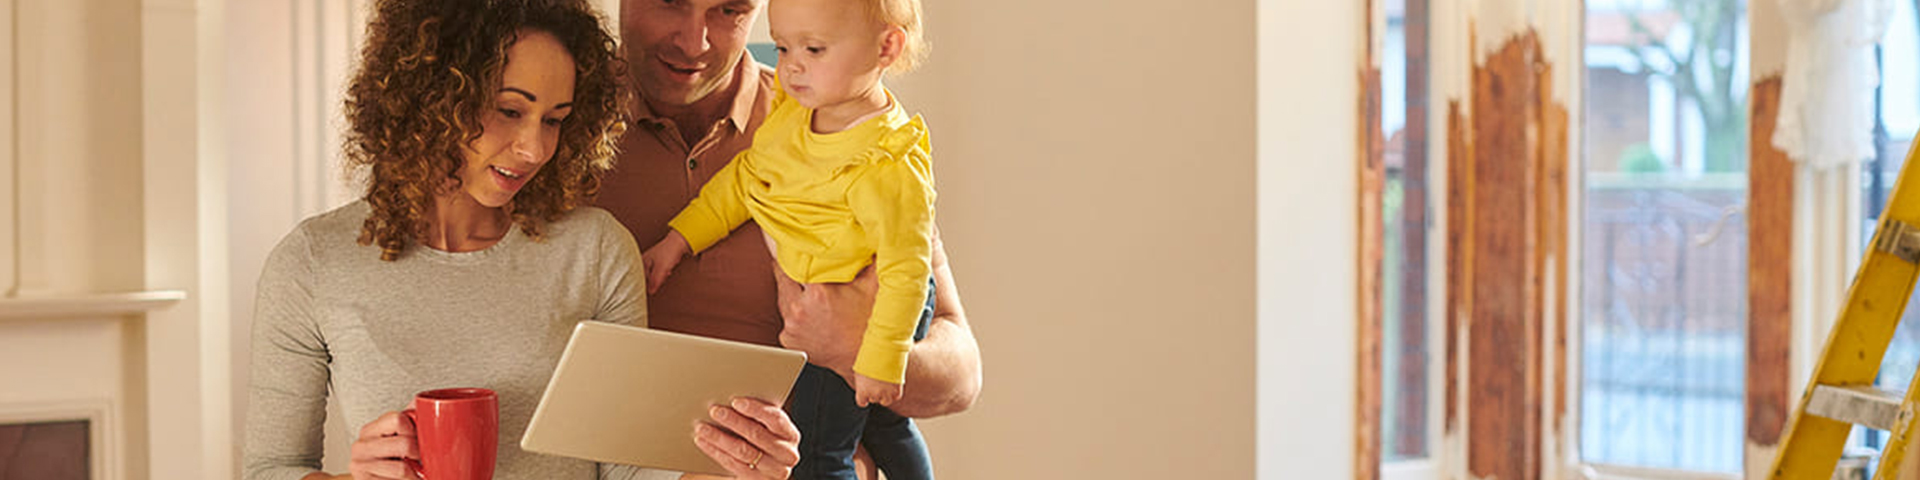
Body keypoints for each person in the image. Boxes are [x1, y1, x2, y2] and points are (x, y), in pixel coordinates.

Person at [241, 1, 798, 479]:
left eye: (554, 119)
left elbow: (625, 470)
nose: (534, 149)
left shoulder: (595, 250)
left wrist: (743, 467)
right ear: (431, 95)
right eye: (509, 110)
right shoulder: (313, 262)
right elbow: (271, 468)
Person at [597, 0, 979, 478]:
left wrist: (852, 349)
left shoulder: (843, 125)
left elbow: (961, 375)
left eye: (730, 10)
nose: (696, 42)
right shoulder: (547, 126)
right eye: (671, 1)